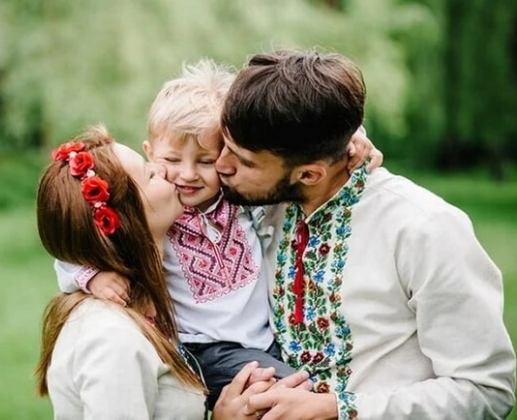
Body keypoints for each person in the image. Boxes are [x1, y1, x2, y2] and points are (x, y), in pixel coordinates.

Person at [53, 59, 381, 409]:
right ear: (150, 153)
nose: (187, 175)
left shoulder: (241, 200)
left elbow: (292, 152)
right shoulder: (160, 212)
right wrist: (93, 277)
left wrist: (349, 142)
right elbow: (80, 248)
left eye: (206, 161)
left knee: (319, 384)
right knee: (297, 397)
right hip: (205, 349)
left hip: (265, 340)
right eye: (172, 161)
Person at [212, 49, 516, 419]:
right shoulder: (256, 210)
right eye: (224, 144)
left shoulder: (424, 229)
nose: (220, 165)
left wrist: (337, 409)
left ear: (309, 174)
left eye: (243, 161)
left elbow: (486, 390)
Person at [34, 126, 208, 419]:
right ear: (126, 220)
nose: (162, 169)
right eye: (149, 174)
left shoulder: (145, 304)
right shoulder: (112, 339)